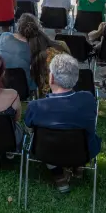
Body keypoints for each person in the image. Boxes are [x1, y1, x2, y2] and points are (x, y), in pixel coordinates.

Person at [25, 53, 100, 194]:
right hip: (83, 152)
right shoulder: (88, 100)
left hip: (46, 152)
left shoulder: (36, 106)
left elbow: (28, 128)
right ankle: (77, 166)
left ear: (51, 77)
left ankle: (58, 175)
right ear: (75, 78)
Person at [0, 14, 36, 91]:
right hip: (24, 86)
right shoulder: (32, 46)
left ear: (18, 24)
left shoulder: (4, 36)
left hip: (3, 82)